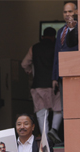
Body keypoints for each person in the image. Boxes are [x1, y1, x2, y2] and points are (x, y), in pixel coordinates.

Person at [21, 27, 63, 141]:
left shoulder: (33, 48)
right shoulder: (56, 47)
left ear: (43, 36)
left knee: (41, 111)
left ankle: (44, 135)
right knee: (58, 108)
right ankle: (53, 130)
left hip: (38, 85)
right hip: (53, 84)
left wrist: (30, 71)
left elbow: (24, 64)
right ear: (54, 37)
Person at [52, 1, 78, 135]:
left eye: (70, 11)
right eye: (65, 12)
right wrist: (54, 77)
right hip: (63, 75)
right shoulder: (61, 30)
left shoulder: (78, 28)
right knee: (65, 109)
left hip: (75, 75)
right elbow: (57, 55)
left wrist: (73, 28)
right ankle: (69, 136)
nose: (67, 14)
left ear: (77, 12)